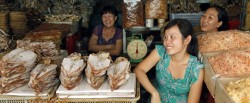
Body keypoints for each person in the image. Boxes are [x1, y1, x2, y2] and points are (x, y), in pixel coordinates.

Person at [134, 19, 204, 103]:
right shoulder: (160, 52)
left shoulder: (196, 69)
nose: (167, 42)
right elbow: (138, 70)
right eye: (165, 37)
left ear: (187, 40)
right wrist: (154, 93)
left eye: (172, 37)